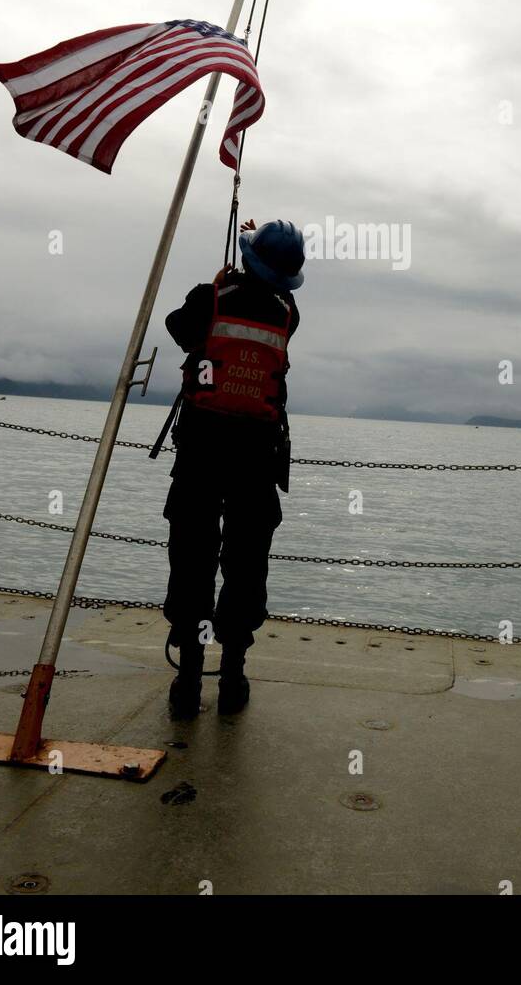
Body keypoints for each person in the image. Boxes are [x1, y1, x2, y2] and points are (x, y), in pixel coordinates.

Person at [161, 218, 304, 718]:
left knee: (193, 558)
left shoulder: (212, 298)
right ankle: (234, 676)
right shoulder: (288, 313)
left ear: (247, 258)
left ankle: (188, 680)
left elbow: (179, 329)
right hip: (256, 457)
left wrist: (217, 283)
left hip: (202, 452)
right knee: (245, 564)